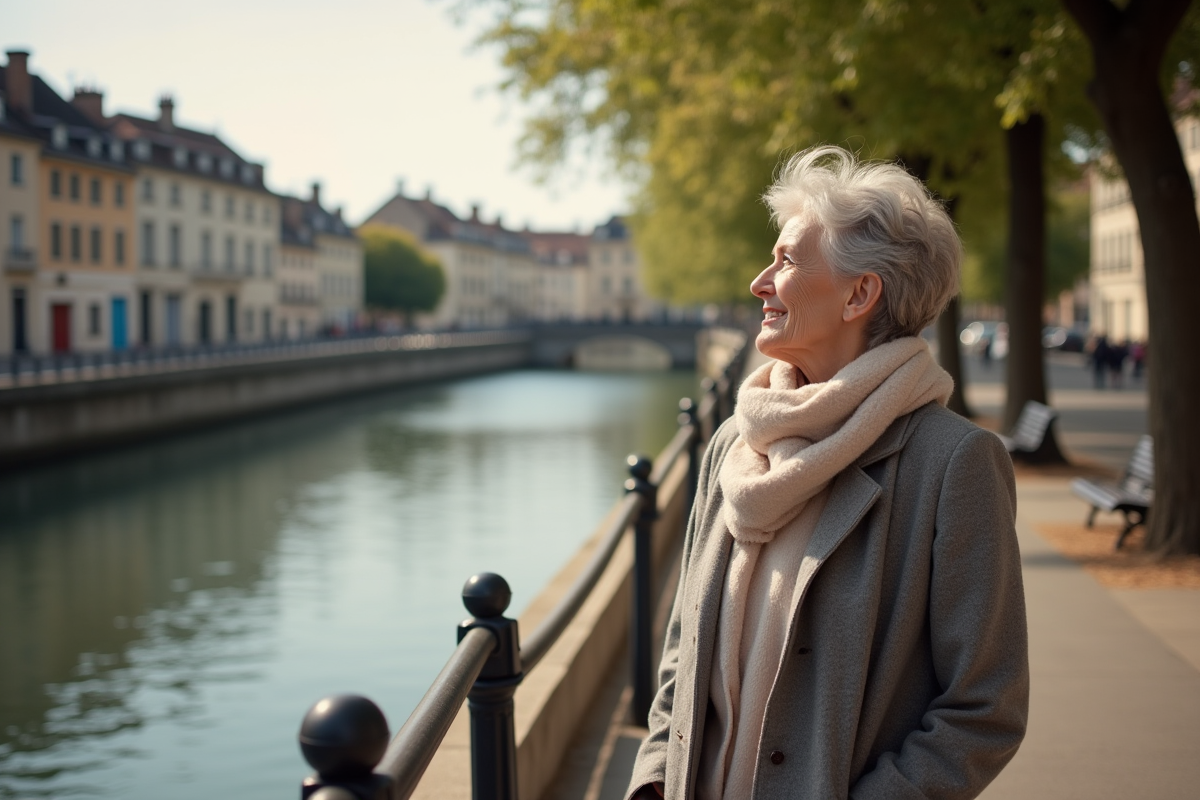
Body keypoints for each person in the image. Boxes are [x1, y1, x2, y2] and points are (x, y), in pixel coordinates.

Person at [627, 146, 1029, 800]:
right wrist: (652, 781)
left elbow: (985, 709)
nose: (759, 282)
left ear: (859, 295)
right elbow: (682, 654)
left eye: (784, 261)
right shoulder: (733, 444)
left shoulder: (953, 464)